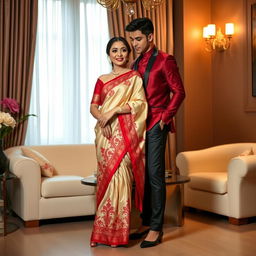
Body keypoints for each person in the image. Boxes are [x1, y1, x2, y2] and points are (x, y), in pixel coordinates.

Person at [125, 18, 185, 248]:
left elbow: (179, 92)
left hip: (155, 124)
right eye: (131, 39)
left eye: (137, 38)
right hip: (138, 125)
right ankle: (146, 222)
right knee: (142, 176)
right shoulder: (135, 63)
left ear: (150, 37)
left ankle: (156, 228)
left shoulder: (165, 60)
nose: (134, 43)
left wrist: (165, 118)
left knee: (155, 175)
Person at [89, 36, 148, 247]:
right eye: (115, 50)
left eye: (123, 50)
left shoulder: (134, 78)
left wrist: (113, 111)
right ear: (109, 54)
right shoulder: (102, 79)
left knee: (120, 178)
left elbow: (140, 103)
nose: (120, 54)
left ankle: (116, 234)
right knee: (106, 180)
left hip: (125, 132)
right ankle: (100, 232)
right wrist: (102, 120)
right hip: (104, 134)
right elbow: (94, 106)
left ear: (128, 53)